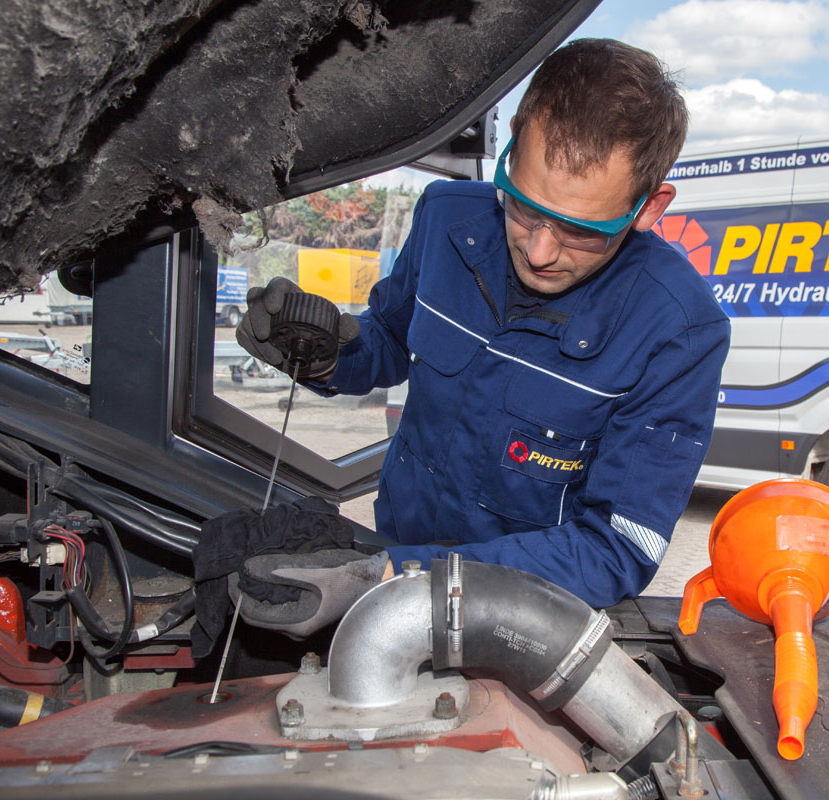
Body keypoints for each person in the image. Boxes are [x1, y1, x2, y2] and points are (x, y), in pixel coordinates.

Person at [235, 38, 730, 635]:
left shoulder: (679, 330)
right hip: (395, 546)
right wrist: (321, 353)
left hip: (524, 624)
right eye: (523, 206)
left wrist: (395, 578)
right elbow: (390, 342)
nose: (540, 251)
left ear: (649, 208)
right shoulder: (445, 218)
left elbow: (615, 548)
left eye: (581, 231)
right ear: (513, 144)